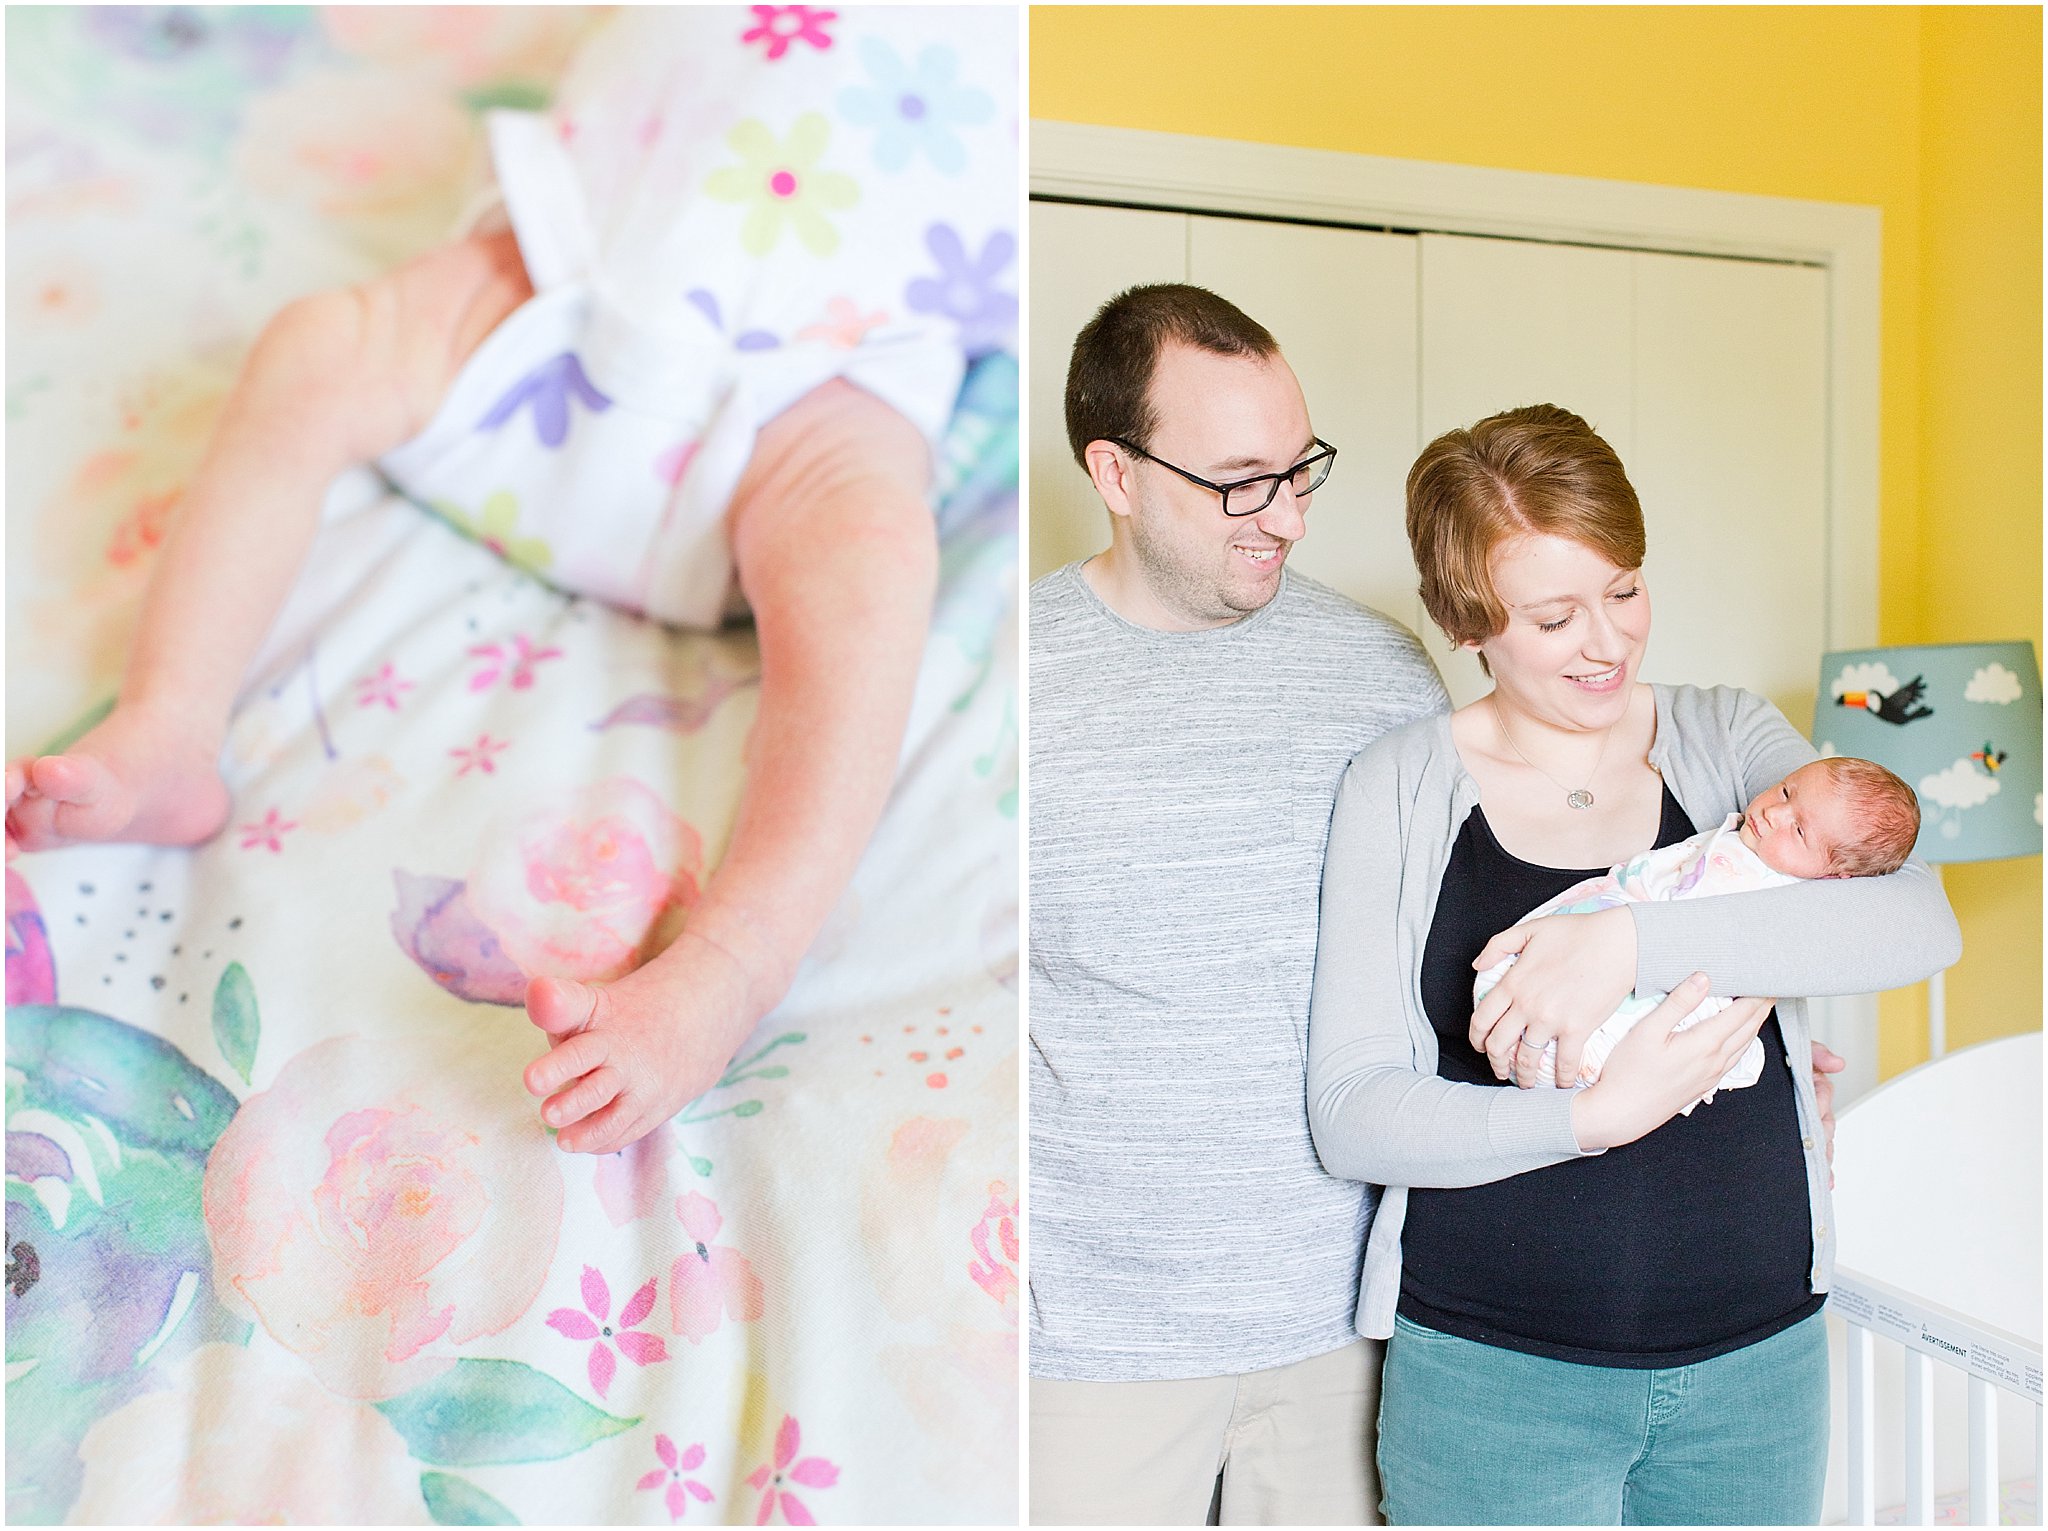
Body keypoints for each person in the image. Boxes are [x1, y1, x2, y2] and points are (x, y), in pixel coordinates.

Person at [2, 5, 1016, 1158]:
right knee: (316, 349)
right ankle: (170, 725)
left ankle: (734, 961)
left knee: (874, 565)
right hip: (568, 268)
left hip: (829, 371)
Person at [1306, 404, 1960, 1526]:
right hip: (1493, 1378)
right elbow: (1352, 1112)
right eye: (1554, 616)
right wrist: (1591, 1117)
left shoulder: (1726, 735)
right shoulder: (1397, 787)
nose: (1606, 643)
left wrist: (1620, 942)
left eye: (1623, 591)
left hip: (1758, 1362)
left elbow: (1915, 926)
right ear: (1467, 624)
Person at [1028, 282, 1450, 1525]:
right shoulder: (997, 671)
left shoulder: (1378, 669)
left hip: (1348, 1325)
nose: (1288, 518)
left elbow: (1465, 945)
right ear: (1112, 470)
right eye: (1238, 481)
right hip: (1085, 1339)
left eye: (1299, 468)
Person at [1484, 754, 1920, 1101]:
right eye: (1786, 791)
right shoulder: (1744, 839)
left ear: (1834, 877)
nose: (1774, 812)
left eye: (1800, 830)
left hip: (1646, 1017)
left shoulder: (1778, 895)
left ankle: (1575, 1057)